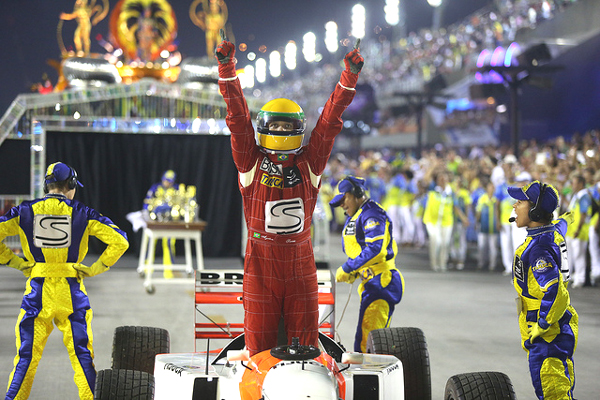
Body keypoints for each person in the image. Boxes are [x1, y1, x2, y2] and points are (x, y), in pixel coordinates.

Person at [215, 32, 363, 355]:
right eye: (275, 126)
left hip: (301, 264)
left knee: (306, 349)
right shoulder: (249, 161)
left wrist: (348, 78)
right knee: (258, 348)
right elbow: (238, 120)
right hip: (260, 265)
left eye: (287, 126)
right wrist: (227, 70)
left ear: (298, 129)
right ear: (264, 129)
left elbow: (329, 122)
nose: (281, 131)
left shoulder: (311, 163)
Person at [0, 162, 129, 400]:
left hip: (36, 294)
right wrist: (95, 268)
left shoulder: (24, 211)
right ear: (70, 185)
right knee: (82, 357)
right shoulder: (83, 212)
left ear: (47, 186)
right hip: (72, 293)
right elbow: (121, 241)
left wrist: (16, 263)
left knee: (26, 359)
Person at [508, 180, 578, 400]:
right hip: (559, 326)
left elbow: (555, 289)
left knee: (554, 394)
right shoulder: (551, 233)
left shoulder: (539, 249)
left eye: (520, 202)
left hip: (549, 334)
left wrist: (543, 323)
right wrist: (566, 219)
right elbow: (559, 226)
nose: (514, 206)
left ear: (536, 211)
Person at [329, 176, 404, 352]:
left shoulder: (372, 213)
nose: (341, 205)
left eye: (343, 199)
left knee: (370, 343)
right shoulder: (358, 213)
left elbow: (375, 248)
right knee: (364, 339)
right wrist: (354, 272)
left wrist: (349, 267)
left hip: (381, 282)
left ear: (357, 193)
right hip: (371, 282)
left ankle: (370, 378)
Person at [143, 170, 177, 279]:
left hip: (170, 223)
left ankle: (168, 270)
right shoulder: (155, 188)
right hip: (155, 222)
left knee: (168, 244)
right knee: (150, 243)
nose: (167, 183)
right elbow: (147, 202)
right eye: (166, 180)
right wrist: (147, 214)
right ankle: (147, 267)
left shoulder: (176, 189)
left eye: (170, 181)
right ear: (162, 179)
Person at [565, 174, 591, 288]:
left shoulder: (584, 196)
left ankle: (580, 278)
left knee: (579, 255)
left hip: (579, 231)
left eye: (574, 183)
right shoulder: (577, 195)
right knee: (569, 254)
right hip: (571, 230)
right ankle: (569, 276)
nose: (572, 185)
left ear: (580, 184)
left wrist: (578, 229)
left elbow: (583, 214)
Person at [475, 179, 499, 271]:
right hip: (483, 226)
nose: (491, 189)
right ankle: (481, 263)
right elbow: (478, 211)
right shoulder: (482, 198)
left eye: (493, 187)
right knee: (482, 246)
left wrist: (498, 222)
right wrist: (476, 222)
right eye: (490, 187)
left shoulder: (496, 199)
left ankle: (492, 265)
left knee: (493, 247)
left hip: (493, 226)